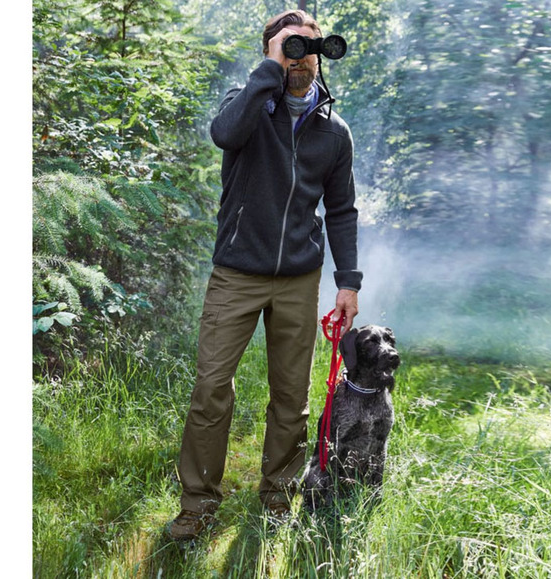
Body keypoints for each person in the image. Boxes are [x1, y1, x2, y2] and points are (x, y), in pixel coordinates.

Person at [169, 9, 361, 540]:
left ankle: (277, 496)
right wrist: (270, 66)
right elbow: (224, 134)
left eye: (310, 47)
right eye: (292, 46)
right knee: (211, 388)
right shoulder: (248, 105)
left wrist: (349, 281)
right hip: (237, 272)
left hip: (300, 277)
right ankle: (198, 503)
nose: (303, 57)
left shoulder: (334, 131)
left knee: (290, 396)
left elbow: (341, 210)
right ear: (272, 51)